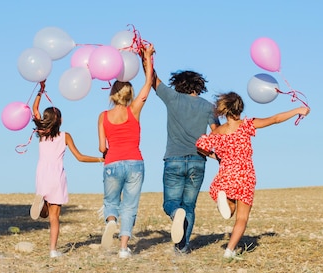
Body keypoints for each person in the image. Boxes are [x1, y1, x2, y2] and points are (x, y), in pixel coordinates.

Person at [195, 91, 310, 260]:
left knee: (230, 207)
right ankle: (229, 250)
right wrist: (298, 110)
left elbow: (201, 147)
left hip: (226, 174)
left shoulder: (218, 132)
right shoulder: (246, 125)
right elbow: (275, 119)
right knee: (242, 218)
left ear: (225, 111)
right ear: (240, 109)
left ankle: (225, 201)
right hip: (245, 174)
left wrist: (216, 156)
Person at [148, 68, 220, 254]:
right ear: (199, 85)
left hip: (174, 159)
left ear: (178, 84)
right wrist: (214, 154)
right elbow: (217, 134)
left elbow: (153, 78)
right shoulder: (209, 107)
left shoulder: (173, 98)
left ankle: (174, 213)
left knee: (170, 202)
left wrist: (144, 56)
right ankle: (182, 248)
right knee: (189, 206)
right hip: (198, 161)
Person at [30, 80, 104, 258]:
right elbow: (79, 157)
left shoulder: (41, 134)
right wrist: (100, 159)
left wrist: (40, 90)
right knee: (54, 217)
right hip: (57, 176)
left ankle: (41, 205)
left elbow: (34, 110)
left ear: (45, 120)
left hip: (42, 174)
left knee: (45, 209)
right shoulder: (65, 136)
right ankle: (53, 250)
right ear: (60, 120)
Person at [98, 43, 155, 259]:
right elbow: (149, 83)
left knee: (111, 201)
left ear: (112, 94)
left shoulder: (103, 116)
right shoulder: (135, 110)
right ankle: (123, 248)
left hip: (112, 162)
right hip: (134, 162)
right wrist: (147, 57)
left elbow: (102, 147)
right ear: (129, 94)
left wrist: (106, 151)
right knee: (130, 206)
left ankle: (111, 220)